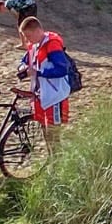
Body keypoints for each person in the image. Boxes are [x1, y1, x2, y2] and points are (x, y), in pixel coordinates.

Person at [18, 16, 73, 146]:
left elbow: (62, 69)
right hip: (41, 95)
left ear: (38, 31)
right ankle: (52, 160)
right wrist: (23, 68)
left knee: (53, 134)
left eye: (29, 36)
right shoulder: (34, 45)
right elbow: (23, 62)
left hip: (55, 95)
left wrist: (39, 73)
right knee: (45, 130)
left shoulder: (52, 44)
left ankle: (56, 162)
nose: (27, 40)